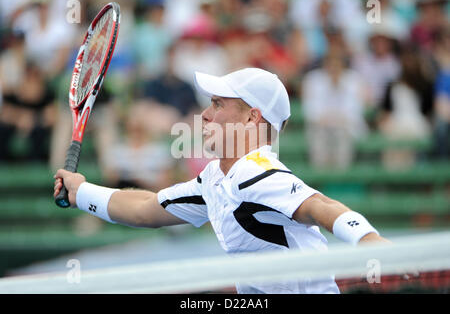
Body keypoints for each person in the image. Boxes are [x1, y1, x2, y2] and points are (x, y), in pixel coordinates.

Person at [54, 68, 389, 294]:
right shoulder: (215, 179)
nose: (205, 114)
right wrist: (80, 191)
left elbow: (320, 206)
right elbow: (145, 208)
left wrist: (370, 242)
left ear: (252, 117)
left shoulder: (255, 173)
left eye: (218, 104)